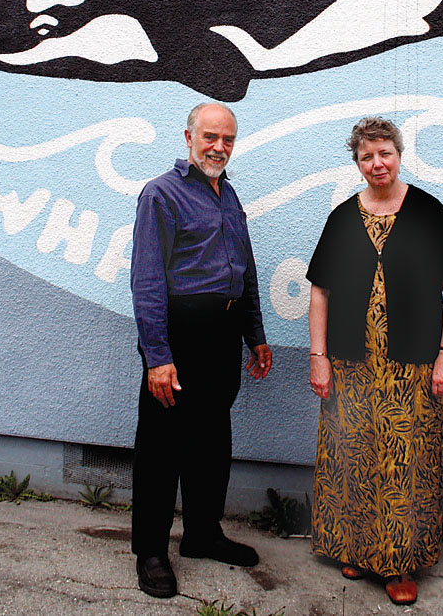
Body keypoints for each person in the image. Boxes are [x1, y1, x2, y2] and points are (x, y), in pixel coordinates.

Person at [306, 117, 443, 606]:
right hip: (351, 366)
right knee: (352, 455)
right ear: (357, 163)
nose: (377, 164)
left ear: (399, 155)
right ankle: (354, 548)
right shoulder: (342, 218)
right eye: (366, 157)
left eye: (385, 154)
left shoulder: (428, 212)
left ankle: (399, 563)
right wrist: (318, 358)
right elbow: (319, 294)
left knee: (405, 462)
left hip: (412, 368)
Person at [130, 102, 273, 599]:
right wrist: (157, 356)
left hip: (223, 333)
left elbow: (245, 269)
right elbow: (147, 280)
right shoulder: (161, 194)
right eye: (210, 137)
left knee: (212, 440)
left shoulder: (228, 195)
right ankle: (151, 551)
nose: (219, 147)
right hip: (179, 334)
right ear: (188, 136)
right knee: (161, 446)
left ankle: (202, 534)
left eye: (227, 139)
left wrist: (255, 334)